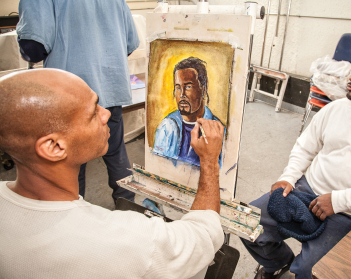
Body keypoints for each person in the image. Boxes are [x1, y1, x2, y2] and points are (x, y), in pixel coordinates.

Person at [0, 69, 225, 278]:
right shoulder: (127, 241)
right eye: (93, 112)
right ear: (55, 147)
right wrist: (209, 161)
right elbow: (204, 234)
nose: (106, 114)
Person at [241, 40, 351, 279]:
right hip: (305, 189)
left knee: (310, 271)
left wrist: (340, 200)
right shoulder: (336, 109)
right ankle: (278, 264)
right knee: (244, 222)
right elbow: (305, 147)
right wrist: (288, 177)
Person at [16, 0, 139, 203]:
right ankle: (130, 211)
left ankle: (73, 220)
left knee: (70, 165)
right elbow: (129, 44)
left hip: (70, 98)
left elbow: (33, 48)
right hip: (109, 92)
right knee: (116, 156)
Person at [153, 57, 224, 166]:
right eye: (178, 87)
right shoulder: (167, 127)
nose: (182, 95)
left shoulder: (218, 131)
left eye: (188, 87)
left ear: (203, 90)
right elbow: (157, 166)